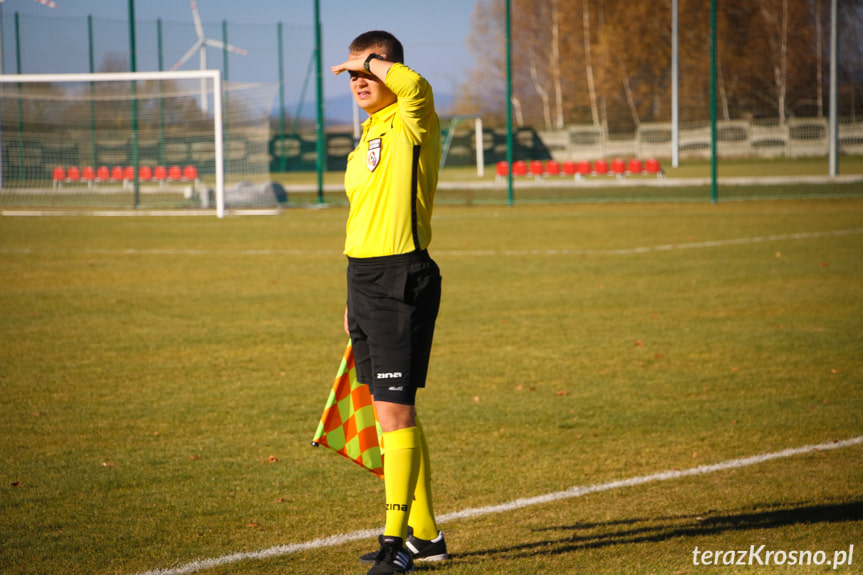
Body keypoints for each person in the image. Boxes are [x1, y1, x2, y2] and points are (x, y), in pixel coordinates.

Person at [331, 30, 448, 575]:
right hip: (365, 280)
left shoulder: (412, 116)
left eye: (367, 72)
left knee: (395, 413)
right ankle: (425, 536)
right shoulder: (368, 133)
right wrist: (350, 294)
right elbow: (360, 220)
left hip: (404, 275)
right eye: (352, 74)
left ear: (386, 69)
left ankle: (395, 540)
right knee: (388, 410)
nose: (358, 81)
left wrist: (373, 62)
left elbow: (415, 82)